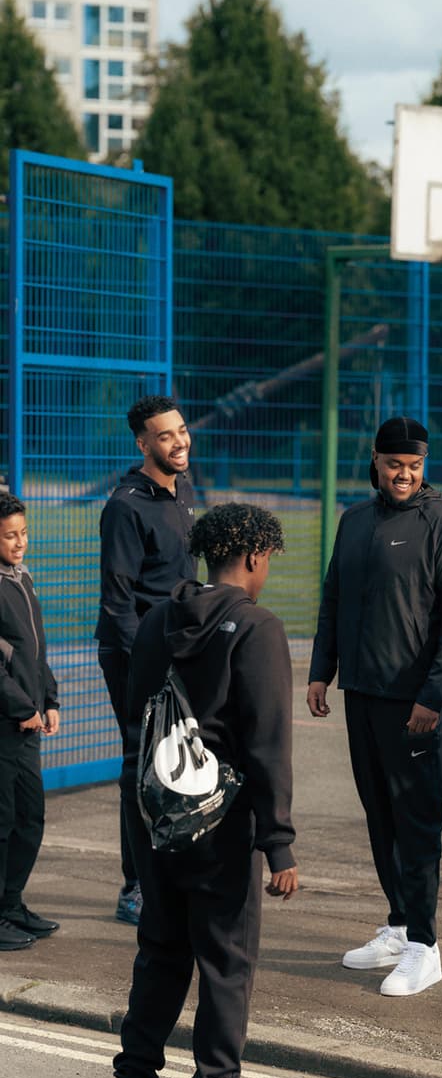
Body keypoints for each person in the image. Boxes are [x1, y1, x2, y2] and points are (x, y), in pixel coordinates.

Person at [105, 502, 297, 1078]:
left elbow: (137, 724)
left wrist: (139, 826)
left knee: (160, 951)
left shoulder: (158, 621)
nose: (266, 571)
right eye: (268, 560)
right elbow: (268, 744)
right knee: (224, 963)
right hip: (221, 826)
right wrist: (279, 843)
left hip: (156, 818)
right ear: (252, 557)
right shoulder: (257, 629)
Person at [307, 416, 442, 997]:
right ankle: (400, 926)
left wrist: (432, 695)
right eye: (394, 464)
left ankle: (426, 947)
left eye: (414, 466)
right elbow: (333, 599)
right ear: (375, 460)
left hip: (415, 703)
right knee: (379, 813)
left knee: (417, 819)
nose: (404, 475)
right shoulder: (354, 521)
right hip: (363, 693)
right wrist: (320, 671)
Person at [94, 395, 196, 925]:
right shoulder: (126, 506)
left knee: (175, 763)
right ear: (142, 443)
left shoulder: (183, 491)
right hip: (134, 656)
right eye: (165, 436)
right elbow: (118, 602)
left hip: (178, 651)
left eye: (181, 431)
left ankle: (167, 873)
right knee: (141, 766)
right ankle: (134, 888)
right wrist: (150, 670)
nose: (178, 442)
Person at [0, 493, 60, 951]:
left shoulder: (23, 578)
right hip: (7, 723)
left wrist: (50, 697)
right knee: (2, 821)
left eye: (23, 533)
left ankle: (11, 903)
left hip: (29, 723)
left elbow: (34, 651)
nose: (20, 543)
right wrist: (22, 707)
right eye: (9, 536)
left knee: (30, 817)